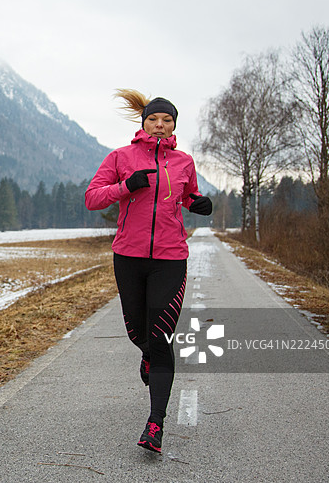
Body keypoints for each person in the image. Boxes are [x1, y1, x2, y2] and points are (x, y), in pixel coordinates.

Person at [84, 89, 212, 453]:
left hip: (171, 258)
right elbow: (93, 198)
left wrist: (200, 204)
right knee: (137, 332)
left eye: (167, 120)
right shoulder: (121, 157)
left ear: (174, 126)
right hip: (129, 256)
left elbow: (187, 197)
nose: (160, 125)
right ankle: (146, 353)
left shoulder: (184, 162)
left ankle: (155, 423)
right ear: (143, 124)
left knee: (161, 338)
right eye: (154, 119)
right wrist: (127, 186)